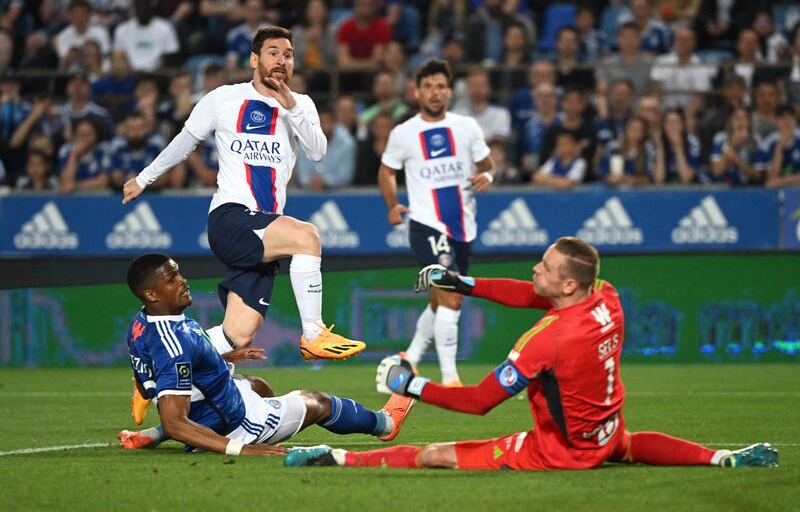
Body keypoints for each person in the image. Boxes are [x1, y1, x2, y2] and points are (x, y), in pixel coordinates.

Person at [285, 237, 779, 470]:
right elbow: (530, 294)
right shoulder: (606, 296)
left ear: (567, 282)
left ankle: (336, 456)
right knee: (626, 445)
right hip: (605, 431)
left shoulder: (548, 340)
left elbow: (479, 402)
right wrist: (462, 283)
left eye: (543, 266)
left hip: (560, 450)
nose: (533, 270)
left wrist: (408, 383)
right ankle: (722, 458)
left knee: (438, 455)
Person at [121, 26, 366, 422]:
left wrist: (291, 106)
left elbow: (318, 152)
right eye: (273, 53)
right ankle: (313, 332)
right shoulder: (224, 99)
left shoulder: (299, 103)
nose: (281, 61)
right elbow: (185, 141)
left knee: (237, 334)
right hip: (231, 218)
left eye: (288, 54)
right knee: (307, 236)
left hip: (263, 230)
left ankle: (148, 377)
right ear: (255, 59)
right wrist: (144, 178)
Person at [118, 254, 414, 454]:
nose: (182, 280)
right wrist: (243, 449)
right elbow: (175, 420)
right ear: (152, 295)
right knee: (318, 401)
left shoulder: (142, 323)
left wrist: (221, 359)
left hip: (214, 400)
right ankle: (384, 422)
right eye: (171, 279)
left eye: (179, 273)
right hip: (235, 426)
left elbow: (170, 372)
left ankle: (152, 435)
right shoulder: (174, 343)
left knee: (257, 385)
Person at [378, 59, 494, 386]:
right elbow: (386, 170)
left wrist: (487, 175)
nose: (435, 92)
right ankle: (450, 377)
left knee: (441, 297)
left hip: (463, 225)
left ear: (450, 91)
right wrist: (392, 204)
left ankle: (410, 358)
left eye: (441, 86)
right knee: (452, 294)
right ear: (417, 92)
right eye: (428, 86)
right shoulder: (404, 133)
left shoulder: (467, 127)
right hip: (427, 224)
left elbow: (489, 164)